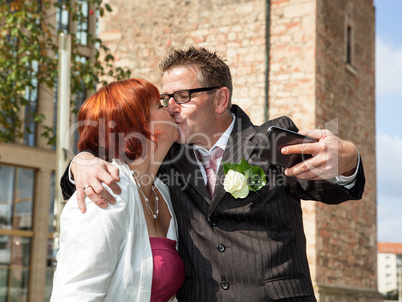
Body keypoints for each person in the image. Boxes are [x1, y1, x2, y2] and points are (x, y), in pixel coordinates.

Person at [60, 47, 365, 301]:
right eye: (166, 99)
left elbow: (328, 182)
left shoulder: (268, 141)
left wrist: (349, 160)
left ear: (220, 99)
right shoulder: (166, 157)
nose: (171, 108)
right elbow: (115, 158)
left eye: (182, 96)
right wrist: (81, 161)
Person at [51, 78, 185, 301]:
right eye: (160, 105)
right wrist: (80, 160)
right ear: (139, 125)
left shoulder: (162, 191)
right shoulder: (104, 191)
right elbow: (76, 293)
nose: (171, 107)